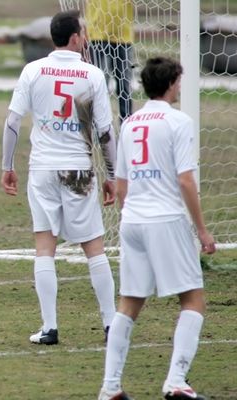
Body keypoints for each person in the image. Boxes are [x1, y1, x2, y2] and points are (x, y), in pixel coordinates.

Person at [98, 57, 216, 400]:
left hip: (132, 221)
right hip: (165, 220)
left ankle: (110, 387)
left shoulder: (131, 122)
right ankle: (177, 381)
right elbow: (185, 180)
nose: (181, 87)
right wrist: (203, 231)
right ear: (171, 83)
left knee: (129, 304)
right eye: (179, 81)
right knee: (192, 299)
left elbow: (121, 186)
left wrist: (135, 213)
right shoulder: (179, 122)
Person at [0, 10, 117, 345]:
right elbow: (106, 132)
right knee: (94, 247)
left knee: (44, 247)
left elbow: (11, 123)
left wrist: (7, 167)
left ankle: (50, 327)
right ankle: (111, 324)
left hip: (42, 169)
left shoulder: (33, 70)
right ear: (76, 38)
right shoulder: (93, 74)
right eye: (84, 31)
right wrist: (112, 175)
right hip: (78, 168)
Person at [86, 0, 134, 123]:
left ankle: (126, 124)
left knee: (124, 84)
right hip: (97, 35)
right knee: (100, 83)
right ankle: (99, 124)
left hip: (123, 35)